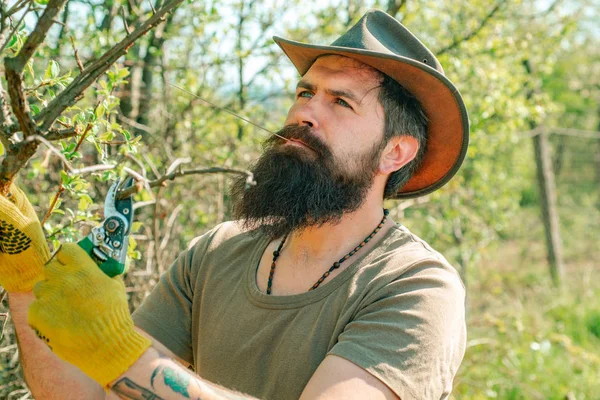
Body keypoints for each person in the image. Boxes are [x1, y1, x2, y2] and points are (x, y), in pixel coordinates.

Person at [2, 9, 469, 400]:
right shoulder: (218, 252)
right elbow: (94, 394)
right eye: (305, 92)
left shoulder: (416, 288)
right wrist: (26, 281)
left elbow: (126, 365)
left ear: (396, 152)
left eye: (341, 102)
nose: (304, 112)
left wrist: (121, 350)